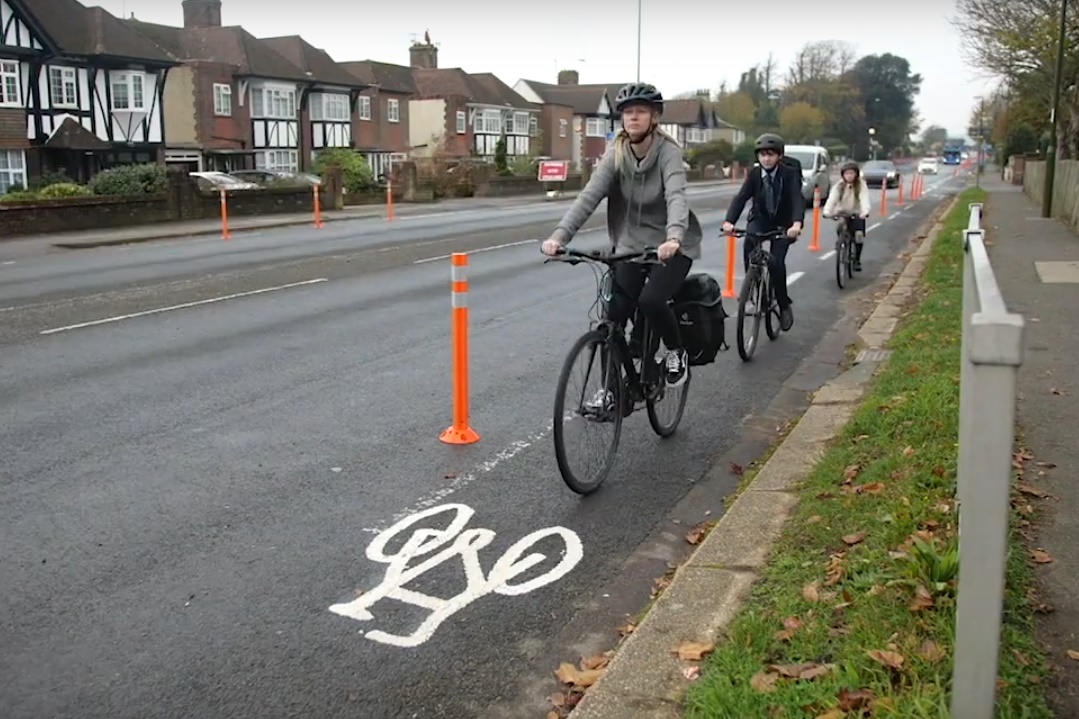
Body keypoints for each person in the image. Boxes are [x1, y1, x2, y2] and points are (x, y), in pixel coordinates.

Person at [541, 82, 702, 396]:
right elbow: (589, 196)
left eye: (641, 111)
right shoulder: (615, 153)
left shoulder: (669, 152)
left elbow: (677, 197)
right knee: (613, 317)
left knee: (651, 300)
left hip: (670, 246)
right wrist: (560, 236)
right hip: (629, 245)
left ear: (654, 117)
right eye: (628, 112)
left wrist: (674, 237)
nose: (633, 117)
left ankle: (675, 351)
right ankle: (611, 391)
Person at [720, 133, 804, 332]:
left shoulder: (788, 174)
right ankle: (753, 283)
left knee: (777, 263)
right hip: (760, 219)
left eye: (771, 155)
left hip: (783, 223)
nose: (766, 159)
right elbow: (741, 198)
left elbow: (797, 199)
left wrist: (797, 224)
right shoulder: (755, 174)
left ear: (779, 156)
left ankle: (783, 305)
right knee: (749, 240)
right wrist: (729, 221)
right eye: (762, 155)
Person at [822, 160, 870, 271]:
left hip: (857, 212)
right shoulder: (839, 186)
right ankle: (840, 241)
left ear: (856, 174)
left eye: (851, 173)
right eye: (846, 173)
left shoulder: (861, 185)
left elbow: (864, 198)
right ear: (843, 175)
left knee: (858, 235)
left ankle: (857, 260)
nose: (849, 176)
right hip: (843, 211)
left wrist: (865, 211)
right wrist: (827, 212)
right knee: (841, 224)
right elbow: (832, 199)